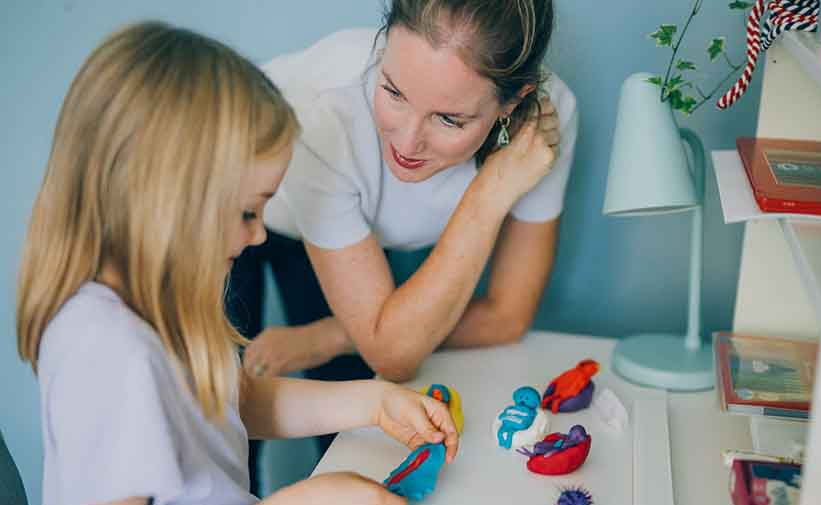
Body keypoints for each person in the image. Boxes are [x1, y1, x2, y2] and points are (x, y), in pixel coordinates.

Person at [16, 21, 458, 505]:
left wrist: (373, 403)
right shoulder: (105, 349)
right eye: (247, 211)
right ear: (164, 199)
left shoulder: (160, 306)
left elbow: (233, 405)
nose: (259, 234)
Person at [233, 0, 576, 388]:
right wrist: (491, 192)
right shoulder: (323, 113)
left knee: (351, 414)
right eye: (394, 92)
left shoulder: (544, 129)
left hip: (355, 228)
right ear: (383, 48)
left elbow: (506, 318)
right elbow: (392, 351)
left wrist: (330, 338)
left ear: (513, 102)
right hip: (233, 206)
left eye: (449, 119)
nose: (407, 143)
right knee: (229, 410)